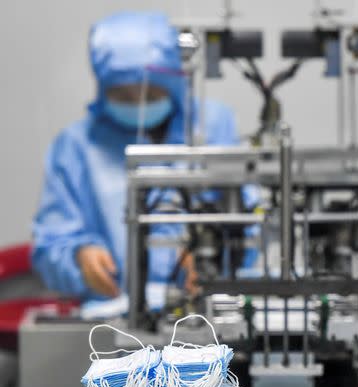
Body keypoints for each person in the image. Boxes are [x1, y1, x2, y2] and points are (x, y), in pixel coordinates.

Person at [31, 12, 257, 303]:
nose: (138, 106)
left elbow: (247, 221)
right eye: (123, 95)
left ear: (174, 84)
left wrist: (214, 252)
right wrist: (79, 256)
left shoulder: (211, 126)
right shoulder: (75, 146)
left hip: (205, 307)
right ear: (103, 88)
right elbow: (49, 245)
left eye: (150, 93)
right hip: (112, 317)